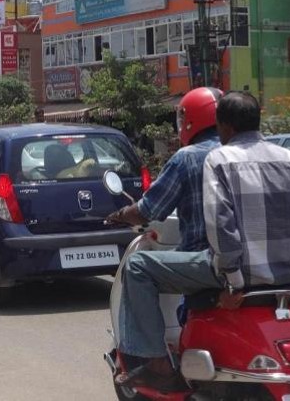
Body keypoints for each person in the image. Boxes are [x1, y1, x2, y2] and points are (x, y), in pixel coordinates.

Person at [114, 91, 290, 389]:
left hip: (234, 273)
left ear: (226, 127)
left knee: (138, 266)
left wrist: (233, 281)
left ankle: (156, 361)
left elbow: (220, 225)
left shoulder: (220, 160)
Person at [106, 87, 223, 389]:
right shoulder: (258, 155)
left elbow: (148, 210)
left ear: (187, 120)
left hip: (213, 263)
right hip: (278, 265)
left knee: (138, 268)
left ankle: (153, 360)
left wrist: (120, 215)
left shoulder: (188, 159)